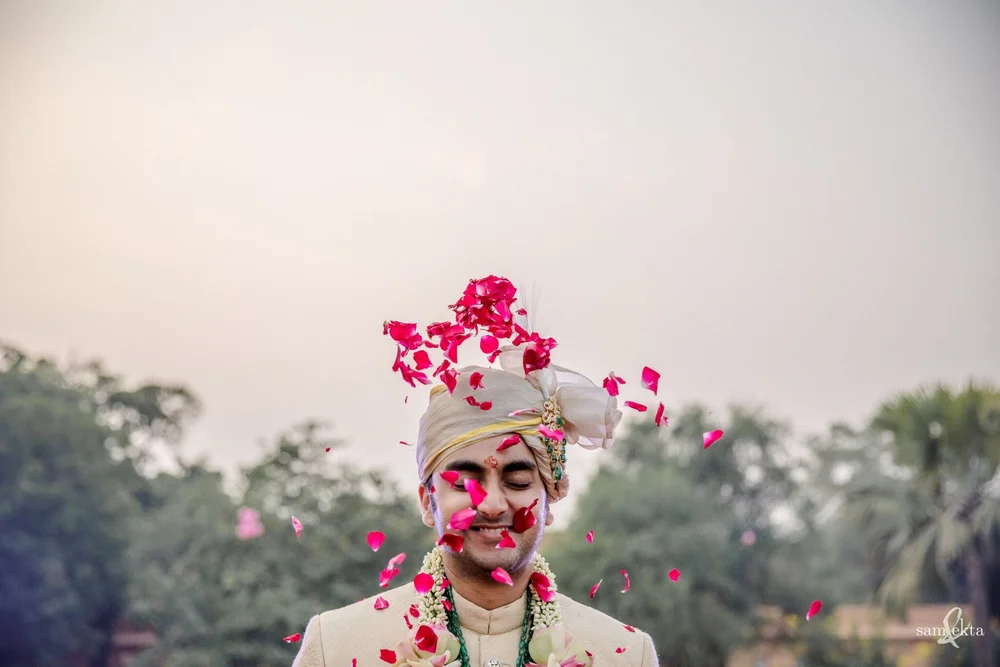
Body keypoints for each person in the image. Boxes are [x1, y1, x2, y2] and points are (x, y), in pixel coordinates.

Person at [292, 279, 660, 667]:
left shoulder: (622, 654)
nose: (492, 504)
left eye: (517, 482)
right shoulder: (336, 646)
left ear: (548, 498)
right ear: (427, 502)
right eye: (464, 482)